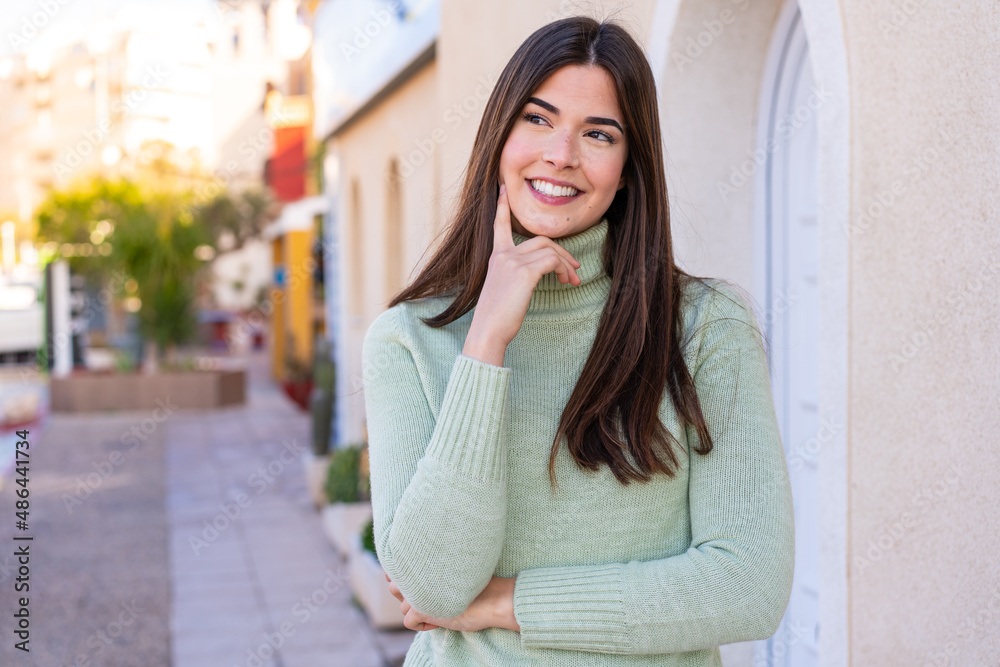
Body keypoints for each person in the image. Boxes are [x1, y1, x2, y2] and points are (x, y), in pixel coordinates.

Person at [361, 15, 795, 667]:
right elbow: (433, 585)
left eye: (598, 133)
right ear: (499, 136)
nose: (561, 154)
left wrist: (506, 603)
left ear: (627, 169)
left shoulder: (707, 327)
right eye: (537, 119)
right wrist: (486, 342)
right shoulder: (407, 342)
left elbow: (749, 585)